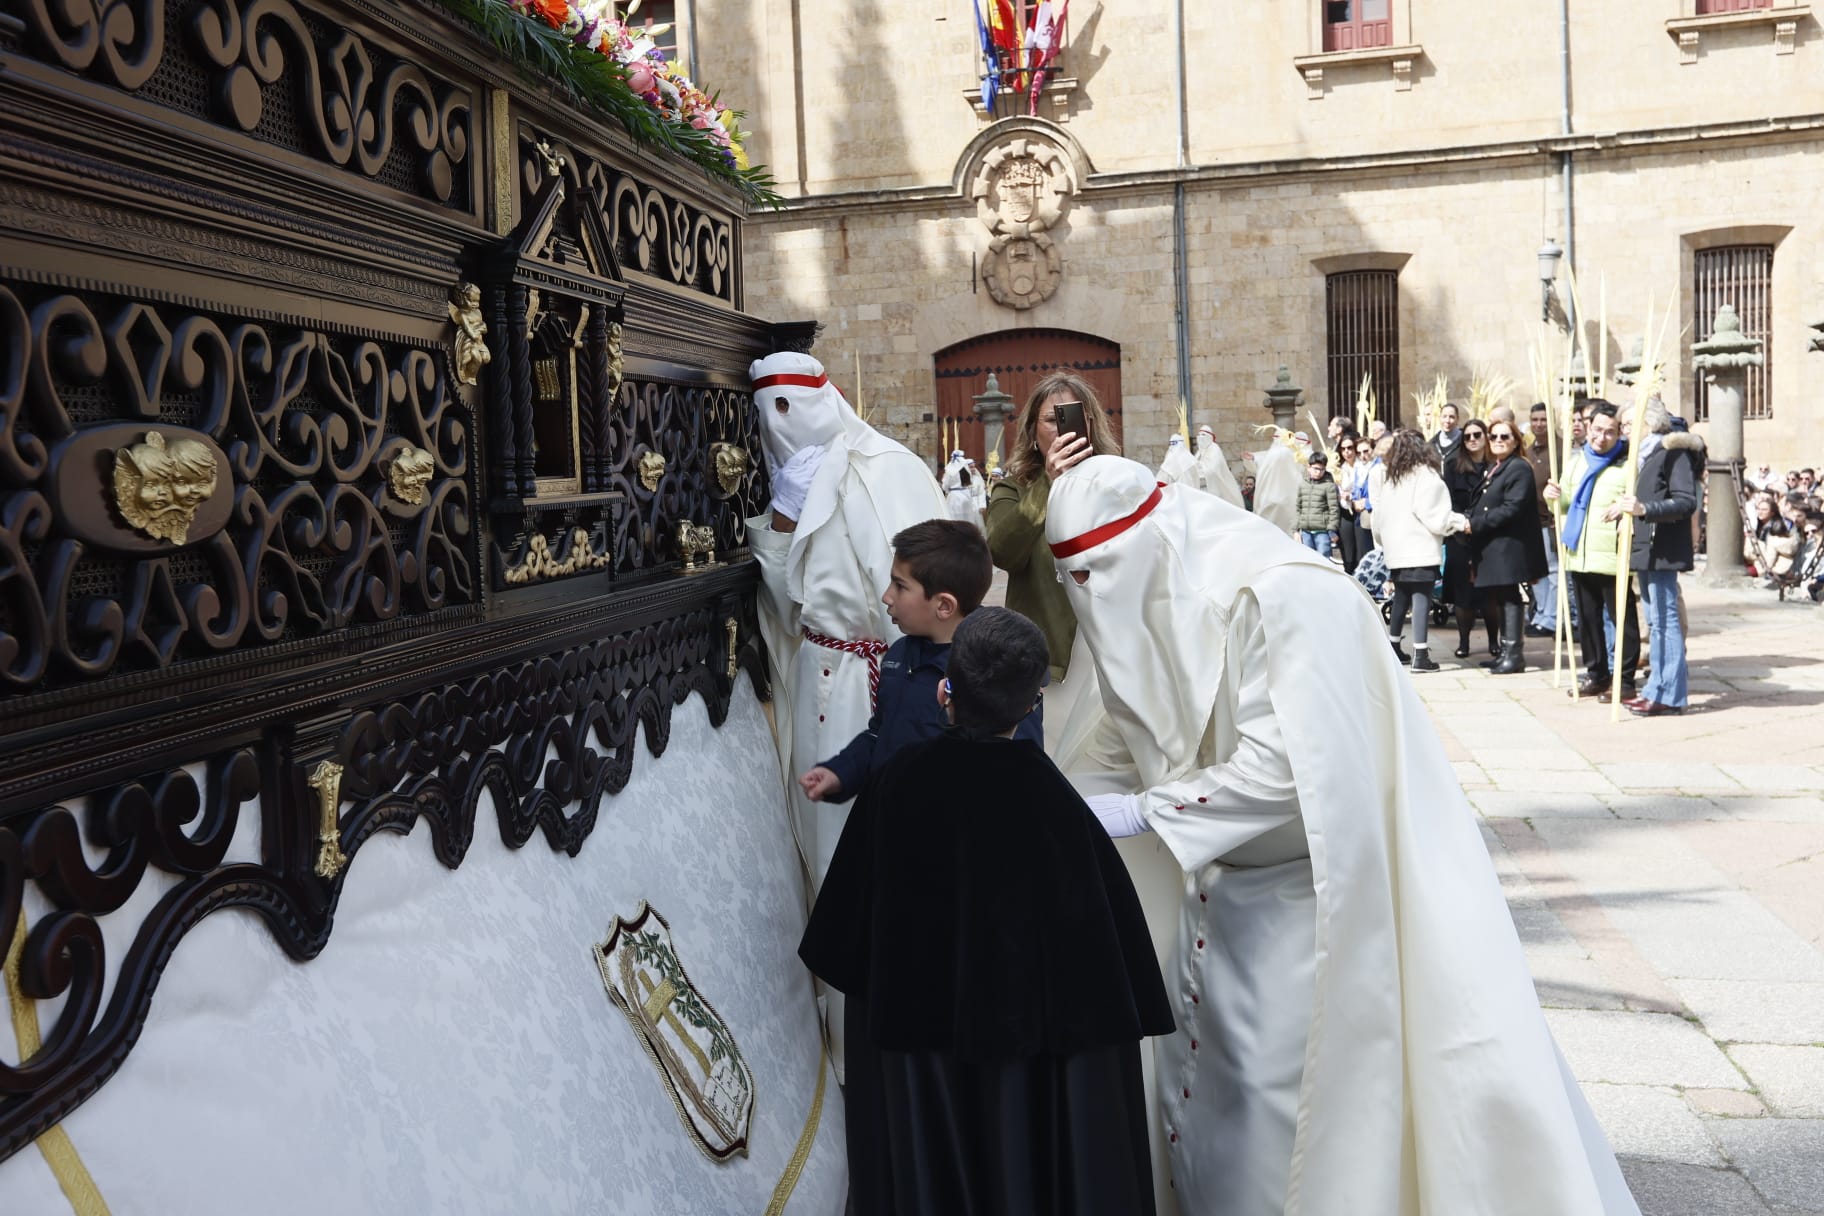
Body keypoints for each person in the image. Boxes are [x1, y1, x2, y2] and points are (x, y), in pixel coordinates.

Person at [1046, 457, 1638, 1216]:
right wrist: (1064, 804)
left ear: (1146, 538)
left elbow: (1285, 770)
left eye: (1096, 573)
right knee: (1205, 1111)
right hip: (1215, 893)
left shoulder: (1282, 593)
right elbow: (1130, 728)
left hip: (1310, 899)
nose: (1089, 595)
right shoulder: (1150, 586)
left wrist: (1140, 814)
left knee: (1285, 1122)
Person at [799, 606, 1173, 1216]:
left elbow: (848, 947)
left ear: (946, 691)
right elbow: (1101, 1003)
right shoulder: (1062, 814)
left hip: (921, 1077)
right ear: (1032, 706)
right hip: (1027, 1089)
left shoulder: (895, 786)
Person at [744, 351, 947, 1074]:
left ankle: (873, 1039)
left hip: (872, 683)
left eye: (792, 406)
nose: (780, 425)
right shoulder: (791, 480)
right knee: (818, 851)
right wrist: (782, 517)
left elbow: (927, 599)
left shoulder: (884, 467)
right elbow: (779, 599)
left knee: (863, 850)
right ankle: (834, 1035)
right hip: (814, 676)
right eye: (766, 409)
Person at [799, 519, 1041, 804]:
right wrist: (839, 773)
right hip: (887, 819)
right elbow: (879, 734)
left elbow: (1021, 768)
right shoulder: (899, 654)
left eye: (900, 586)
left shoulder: (994, 673)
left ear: (944, 606)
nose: (886, 596)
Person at [985, 368, 1120, 767]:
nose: (1063, 427)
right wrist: (1047, 483)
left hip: (1110, 648)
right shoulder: (1013, 488)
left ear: (1091, 424)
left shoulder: (1117, 482)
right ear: (1032, 429)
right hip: (1051, 657)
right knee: (1056, 762)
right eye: (1050, 418)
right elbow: (1002, 552)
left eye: (1075, 416)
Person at [1607, 401, 1702, 717]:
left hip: (1663, 549)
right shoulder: (1643, 456)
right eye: (1623, 424)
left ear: (1650, 423)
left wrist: (1644, 510)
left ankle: (1670, 694)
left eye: (1629, 423)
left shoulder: (1672, 453)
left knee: (1665, 621)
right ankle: (1656, 688)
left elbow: (1686, 501)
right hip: (1646, 548)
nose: (1624, 430)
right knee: (1656, 622)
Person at [1546, 400, 1640, 698]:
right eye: (1597, 429)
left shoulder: (1627, 464)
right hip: (1580, 554)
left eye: (1610, 432)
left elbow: (1635, 502)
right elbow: (1564, 504)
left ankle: (1624, 679)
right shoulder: (1576, 461)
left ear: (1619, 435)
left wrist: (1623, 509)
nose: (1602, 437)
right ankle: (1596, 672)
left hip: (1612, 555)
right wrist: (1552, 497)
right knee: (1587, 620)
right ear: (1588, 429)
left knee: (1622, 620)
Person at [1374, 429, 1466, 671]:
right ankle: (1421, 655)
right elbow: (1435, 515)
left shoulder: (1392, 478)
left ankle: (1393, 647)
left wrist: (1384, 543)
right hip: (1420, 547)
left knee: (1401, 597)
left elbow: (1378, 517)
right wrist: (1459, 523)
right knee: (1422, 597)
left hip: (1396, 551)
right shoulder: (1426, 475)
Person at [1466, 418, 1550, 674]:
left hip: (1510, 545)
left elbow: (1511, 508)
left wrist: (1476, 523)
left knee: (1511, 597)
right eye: (1494, 437)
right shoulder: (1497, 467)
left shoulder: (1519, 468)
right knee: (1501, 596)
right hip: (1495, 545)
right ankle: (1504, 651)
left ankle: (1514, 654)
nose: (1498, 441)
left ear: (1516, 441)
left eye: (1505, 437)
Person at [1444, 419, 1499, 659]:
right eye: (1467, 436)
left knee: (1490, 594)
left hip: (1489, 535)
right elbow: (1448, 499)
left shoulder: (1496, 464)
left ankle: (1494, 641)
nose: (1473, 439)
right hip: (1461, 535)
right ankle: (1464, 641)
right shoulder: (1453, 464)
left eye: (1477, 434)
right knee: (1463, 594)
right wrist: (1462, 523)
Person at [1523, 402, 1563, 638]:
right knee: (1537, 572)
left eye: (1543, 420)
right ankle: (1540, 614)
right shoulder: (1529, 449)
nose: (1538, 424)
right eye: (1535, 419)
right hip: (1532, 521)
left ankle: (1552, 616)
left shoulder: (1559, 449)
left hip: (1550, 521)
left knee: (1554, 571)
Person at [1295, 450, 1341, 559]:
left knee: (1324, 560)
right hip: (1306, 532)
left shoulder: (1329, 486)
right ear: (1309, 467)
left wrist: (1331, 529)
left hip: (1322, 532)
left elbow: (1334, 509)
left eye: (1322, 469)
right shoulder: (1303, 485)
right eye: (1316, 469)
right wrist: (1296, 530)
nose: (1318, 472)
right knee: (1308, 560)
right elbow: (1298, 508)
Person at [1193, 423, 1245, 508]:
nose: (1200, 437)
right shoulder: (1199, 452)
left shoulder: (1214, 449)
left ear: (1209, 437)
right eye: (1198, 435)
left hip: (1214, 490)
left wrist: (1198, 469)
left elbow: (1212, 470)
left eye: (1203, 435)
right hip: (1201, 490)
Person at [1333, 435, 1364, 573]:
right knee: (1348, 551)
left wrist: (1352, 496)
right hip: (1345, 512)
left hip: (1359, 511)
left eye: (1350, 448)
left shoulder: (1362, 466)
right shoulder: (1338, 469)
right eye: (1343, 448)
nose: (1347, 452)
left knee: (1361, 551)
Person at [940, 449, 978, 527]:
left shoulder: (950, 471)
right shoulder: (966, 470)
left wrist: (948, 490)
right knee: (967, 518)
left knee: (954, 519)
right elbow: (970, 482)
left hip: (954, 497)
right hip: (966, 495)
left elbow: (945, 486)